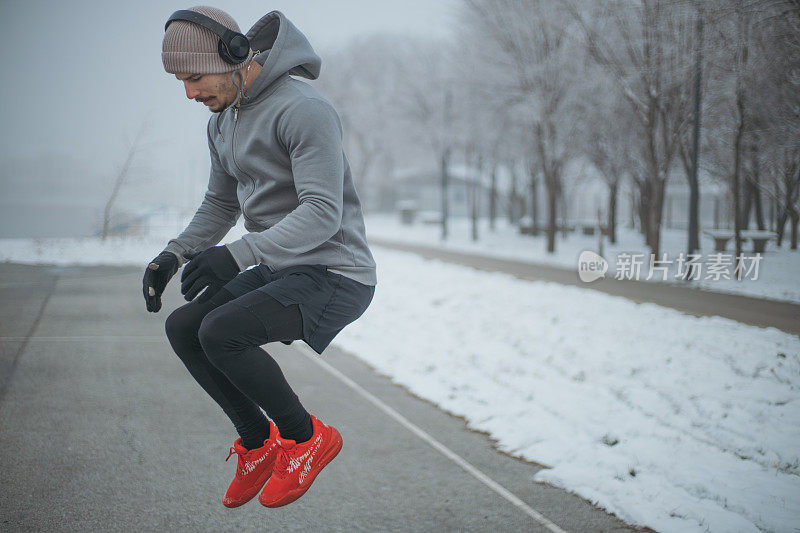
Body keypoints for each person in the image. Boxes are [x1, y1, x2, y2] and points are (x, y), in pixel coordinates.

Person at [141, 6, 377, 509]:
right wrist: (173, 254)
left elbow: (322, 212)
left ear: (234, 55)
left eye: (196, 76)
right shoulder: (223, 121)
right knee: (185, 328)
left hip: (336, 271)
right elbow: (221, 204)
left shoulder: (303, 109)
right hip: (282, 266)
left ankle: (305, 436)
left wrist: (238, 255)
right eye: (181, 81)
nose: (189, 92)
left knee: (222, 332)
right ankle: (258, 442)